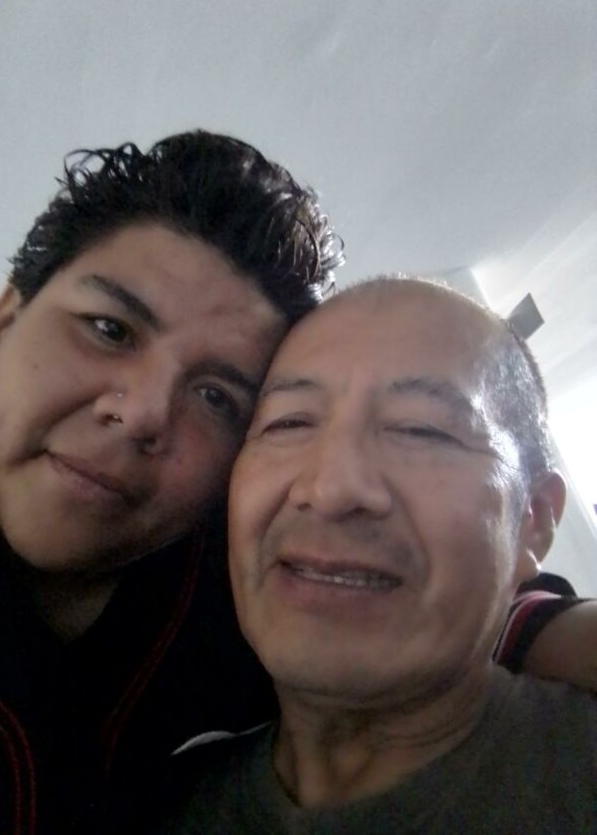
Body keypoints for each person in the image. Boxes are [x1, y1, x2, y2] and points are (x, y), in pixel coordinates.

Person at [0, 129, 343, 834]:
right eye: (109, 329)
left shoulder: (245, 580)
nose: (141, 414)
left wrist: (533, 624)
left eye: (216, 397)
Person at [163, 277, 597, 834]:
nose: (331, 488)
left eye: (420, 430)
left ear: (533, 519)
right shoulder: (148, 799)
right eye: (289, 422)